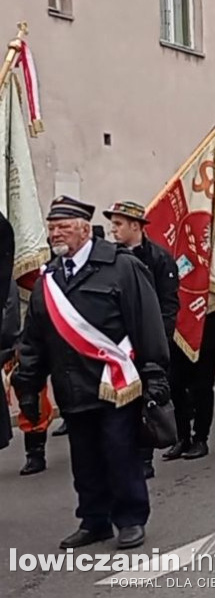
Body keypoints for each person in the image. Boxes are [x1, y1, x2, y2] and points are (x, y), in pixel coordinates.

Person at [14, 196, 170, 549]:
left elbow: (147, 323)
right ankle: (94, 519)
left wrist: (155, 374)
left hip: (115, 382)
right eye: (52, 228)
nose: (56, 234)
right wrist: (28, 385)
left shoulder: (121, 267)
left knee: (119, 451)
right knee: (84, 458)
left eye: (63, 227)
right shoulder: (49, 278)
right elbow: (35, 338)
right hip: (71, 384)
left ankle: (130, 518)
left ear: (84, 230)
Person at [105, 201, 180, 478]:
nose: (113, 230)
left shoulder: (160, 259)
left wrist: (159, 342)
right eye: (112, 224)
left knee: (148, 399)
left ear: (135, 226)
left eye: (119, 224)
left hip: (147, 342)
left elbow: (168, 305)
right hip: (118, 344)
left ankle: (145, 456)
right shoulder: (109, 258)